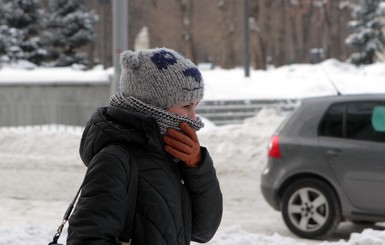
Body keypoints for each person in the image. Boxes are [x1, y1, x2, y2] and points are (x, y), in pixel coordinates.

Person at [67, 47, 223, 245]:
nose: (193, 117)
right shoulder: (115, 160)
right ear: (152, 104)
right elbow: (86, 239)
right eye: (186, 106)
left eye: (196, 106)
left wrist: (197, 166)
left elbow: (203, 231)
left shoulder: (170, 155)